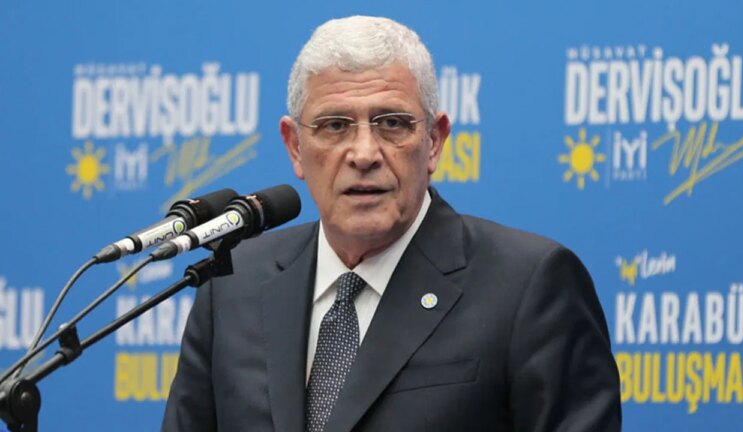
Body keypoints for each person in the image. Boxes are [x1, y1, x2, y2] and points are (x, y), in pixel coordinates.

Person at [162, 15, 621, 432]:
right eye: (335, 125)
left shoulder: (528, 286)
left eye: (392, 124)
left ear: (434, 141)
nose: (364, 154)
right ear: (295, 147)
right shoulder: (233, 283)